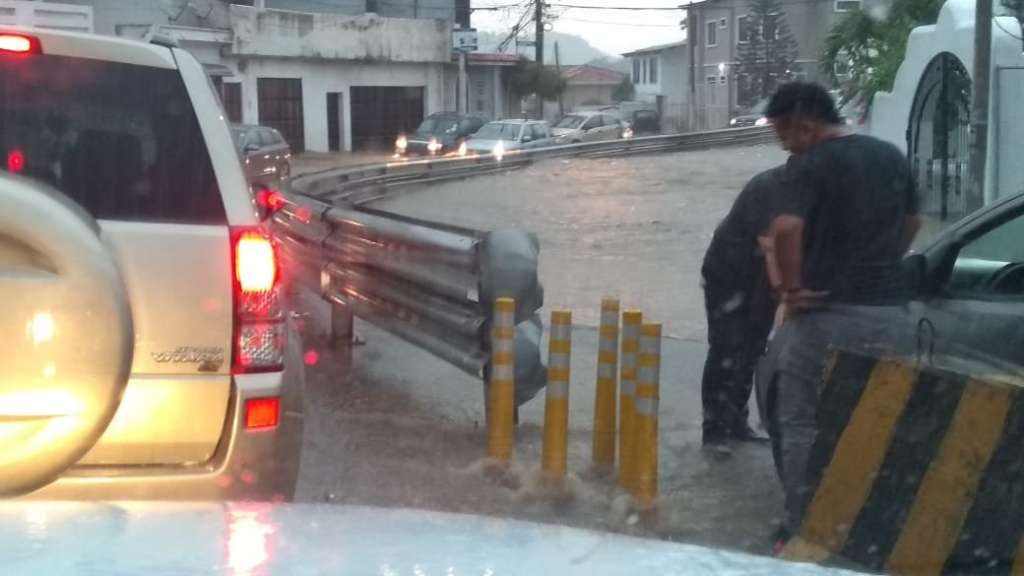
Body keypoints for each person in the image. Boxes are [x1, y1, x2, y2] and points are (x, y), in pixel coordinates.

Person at [755, 82, 921, 548]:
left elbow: (786, 229)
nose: (784, 145)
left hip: (825, 314)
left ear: (804, 126)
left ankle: (802, 524)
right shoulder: (890, 156)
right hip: (891, 314)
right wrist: (881, 266)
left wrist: (789, 288)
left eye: (783, 135)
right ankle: (874, 524)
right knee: (880, 420)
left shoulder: (808, 166)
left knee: (801, 422)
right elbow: (914, 222)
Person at [700, 166, 784, 457]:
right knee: (727, 349)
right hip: (728, 276)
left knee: (752, 349)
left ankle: (737, 422)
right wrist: (788, 293)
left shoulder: (809, 191)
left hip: (759, 282)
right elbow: (771, 248)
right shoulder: (770, 187)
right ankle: (714, 431)